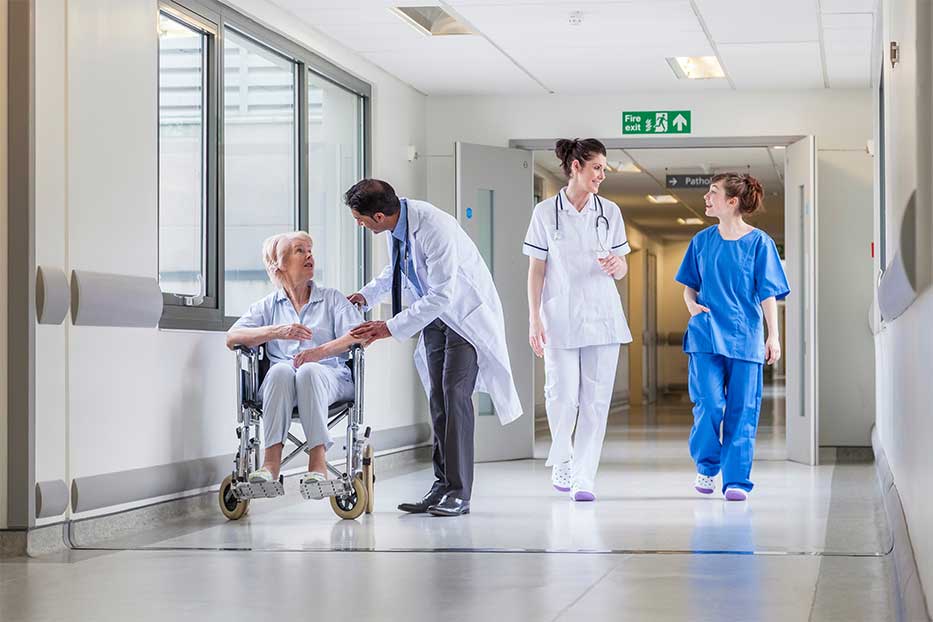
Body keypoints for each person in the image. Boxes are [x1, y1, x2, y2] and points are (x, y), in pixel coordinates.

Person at [345, 179, 522, 517]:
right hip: (433, 319)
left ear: (379, 216)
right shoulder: (398, 227)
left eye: (360, 218)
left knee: (455, 396)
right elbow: (395, 271)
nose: (359, 224)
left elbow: (443, 294)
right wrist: (365, 296)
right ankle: (441, 486)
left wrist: (389, 327)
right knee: (438, 399)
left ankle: (460, 492)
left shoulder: (434, 226)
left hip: (462, 318)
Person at [524, 138, 632, 502]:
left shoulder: (611, 212)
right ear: (575, 168)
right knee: (562, 395)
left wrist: (618, 266)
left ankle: (585, 476)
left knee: (596, 402)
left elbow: (621, 266)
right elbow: (536, 270)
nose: (602, 174)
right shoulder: (544, 213)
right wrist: (534, 318)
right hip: (560, 317)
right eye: (597, 167)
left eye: (603, 168)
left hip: (603, 318)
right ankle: (563, 457)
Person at [675, 173, 790, 501]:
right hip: (706, 335)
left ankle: (737, 480)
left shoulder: (760, 243)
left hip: (745, 336)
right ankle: (707, 467)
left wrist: (774, 336)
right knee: (710, 403)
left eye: (713, 193)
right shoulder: (701, 241)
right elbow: (689, 287)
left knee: (742, 409)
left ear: (732, 202)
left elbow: (768, 293)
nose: (706, 199)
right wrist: (691, 305)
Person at [226, 231, 363, 493]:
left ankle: (318, 464)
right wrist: (277, 331)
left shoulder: (332, 299)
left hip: (330, 380)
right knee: (279, 370)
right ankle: (270, 465)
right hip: (283, 387)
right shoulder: (268, 306)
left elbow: (359, 336)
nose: (310, 255)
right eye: (300, 250)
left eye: (310, 250)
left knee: (309, 371)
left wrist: (319, 352)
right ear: (279, 264)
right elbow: (233, 337)